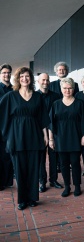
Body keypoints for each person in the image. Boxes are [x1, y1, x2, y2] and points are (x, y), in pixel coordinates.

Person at [0, 67, 50, 210]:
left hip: (34, 136)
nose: (24, 79)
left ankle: (33, 197)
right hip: (17, 137)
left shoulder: (38, 97)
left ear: (31, 79)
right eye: (21, 76)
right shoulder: (11, 96)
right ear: (18, 79)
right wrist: (8, 133)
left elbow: (43, 119)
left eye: (27, 76)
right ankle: (22, 199)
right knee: (20, 169)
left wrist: (46, 136)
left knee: (34, 168)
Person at [49, 77, 84, 197]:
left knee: (75, 162)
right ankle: (67, 186)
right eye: (65, 88)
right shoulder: (56, 104)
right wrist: (51, 139)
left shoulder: (80, 103)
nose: (67, 90)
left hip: (76, 137)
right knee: (63, 164)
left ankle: (77, 186)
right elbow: (51, 123)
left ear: (74, 88)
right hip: (60, 138)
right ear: (61, 89)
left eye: (70, 88)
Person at [37, 73, 63, 193]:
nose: (45, 82)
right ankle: (42, 181)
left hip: (54, 129)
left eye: (47, 80)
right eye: (43, 80)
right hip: (39, 130)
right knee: (41, 158)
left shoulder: (56, 96)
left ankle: (53, 180)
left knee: (54, 156)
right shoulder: (34, 96)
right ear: (38, 81)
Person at [0, 64, 13, 191]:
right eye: (4, 72)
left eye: (8, 72)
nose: (6, 75)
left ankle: (8, 181)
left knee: (8, 154)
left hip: (10, 127)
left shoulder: (14, 90)